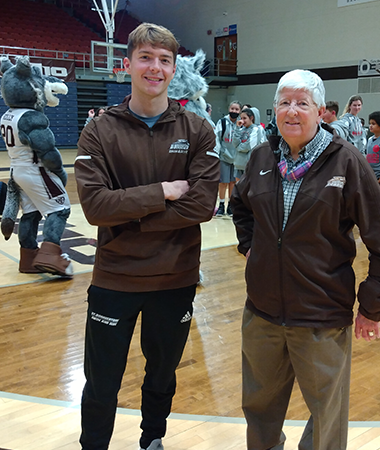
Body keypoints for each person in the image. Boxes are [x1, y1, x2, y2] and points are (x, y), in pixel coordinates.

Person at [231, 69, 380, 450]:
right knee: (258, 410)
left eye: (302, 103)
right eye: (284, 102)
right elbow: (241, 206)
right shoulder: (262, 157)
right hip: (261, 314)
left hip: (320, 317)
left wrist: (373, 307)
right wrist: (251, 246)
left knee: (326, 417)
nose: (292, 111)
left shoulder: (346, 162)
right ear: (274, 109)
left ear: (320, 111)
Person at [74, 23, 220, 450]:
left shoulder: (197, 130)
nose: (155, 67)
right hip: (114, 280)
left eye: (164, 60)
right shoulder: (99, 130)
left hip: (173, 280)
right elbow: (95, 207)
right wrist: (161, 191)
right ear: (127, 64)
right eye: (146, 57)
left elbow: (201, 207)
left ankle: (153, 438)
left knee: (162, 374)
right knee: (101, 380)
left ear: (174, 69)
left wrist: (126, 218)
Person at [214, 101, 242, 217]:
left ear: (239, 111)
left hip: (236, 158)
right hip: (224, 156)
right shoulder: (223, 122)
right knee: (223, 182)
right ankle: (221, 205)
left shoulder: (241, 123)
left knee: (232, 183)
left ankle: (230, 205)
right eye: (232, 109)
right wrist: (218, 153)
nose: (234, 111)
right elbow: (217, 138)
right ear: (229, 109)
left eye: (236, 109)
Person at [233, 107, 267, 181]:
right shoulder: (240, 129)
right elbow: (234, 143)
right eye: (241, 118)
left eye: (244, 118)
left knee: (248, 190)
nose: (242, 121)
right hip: (239, 164)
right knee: (238, 190)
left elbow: (248, 146)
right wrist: (237, 128)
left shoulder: (257, 129)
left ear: (251, 118)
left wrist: (238, 146)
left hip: (250, 165)